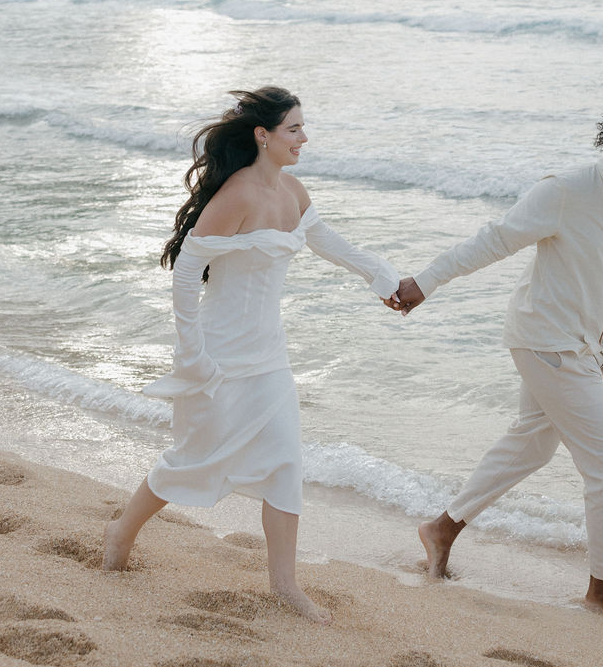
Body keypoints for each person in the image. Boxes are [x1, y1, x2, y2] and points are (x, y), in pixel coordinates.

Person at [388, 91, 603, 623]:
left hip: (580, 347)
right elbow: (496, 239)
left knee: (530, 447)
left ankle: (441, 530)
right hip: (545, 340)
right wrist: (425, 282)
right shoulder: (565, 192)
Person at [103, 87, 400, 625]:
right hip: (217, 354)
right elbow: (188, 271)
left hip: (269, 356)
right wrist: (191, 354)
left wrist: (382, 278)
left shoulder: (292, 192)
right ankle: (120, 533)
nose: (304, 138)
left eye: (303, 128)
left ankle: (285, 585)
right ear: (262, 136)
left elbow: (326, 240)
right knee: (194, 457)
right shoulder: (237, 196)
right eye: (294, 130)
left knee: (286, 461)